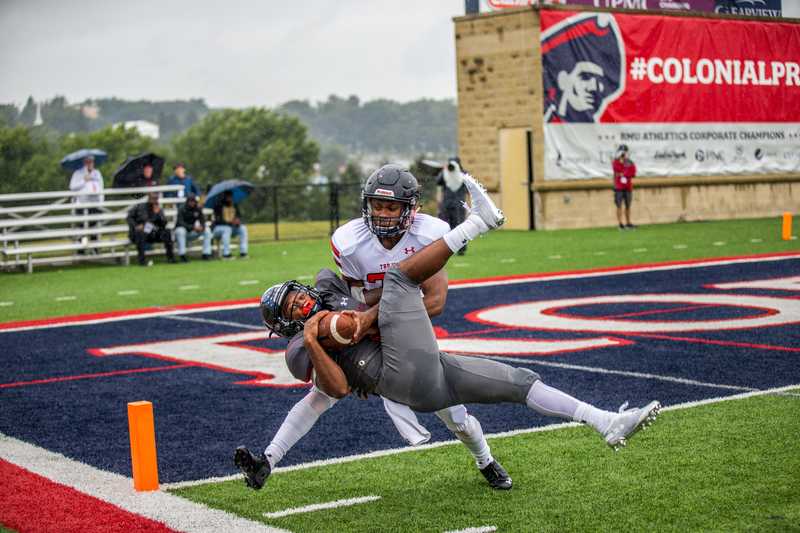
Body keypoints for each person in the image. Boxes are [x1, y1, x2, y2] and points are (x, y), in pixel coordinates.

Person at [236, 173, 660, 490]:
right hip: (399, 376)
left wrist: (368, 319)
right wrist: (315, 338)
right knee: (400, 281)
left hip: (420, 356)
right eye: (291, 309)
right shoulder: (302, 343)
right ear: (286, 326)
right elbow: (319, 400)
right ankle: (479, 223)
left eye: (296, 295)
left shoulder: (331, 287)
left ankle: (603, 422)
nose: (300, 304)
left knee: (513, 385)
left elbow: (429, 301)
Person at [255, 164, 512, 491]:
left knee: (454, 414)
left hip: (408, 333)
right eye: (377, 205)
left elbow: (435, 302)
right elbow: (356, 295)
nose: (383, 214)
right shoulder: (349, 242)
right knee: (320, 395)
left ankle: (485, 459)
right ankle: (269, 458)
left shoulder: (428, 234)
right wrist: (343, 328)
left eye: (392, 207)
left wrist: (372, 317)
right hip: (367, 331)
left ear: (411, 209)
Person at [127, 192, 175, 266]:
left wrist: (158, 214)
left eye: (156, 199)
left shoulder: (158, 209)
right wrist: (136, 226)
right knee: (141, 233)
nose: (155, 200)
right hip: (140, 233)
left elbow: (164, 224)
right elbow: (129, 218)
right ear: (149, 199)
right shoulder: (140, 207)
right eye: (153, 198)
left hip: (153, 233)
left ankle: (170, 258)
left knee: (167, 232)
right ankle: (142, 261)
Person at [69, 155, 104, 253]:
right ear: (84, 163)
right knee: (81, 229)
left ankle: (95, 250)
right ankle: (81, 251)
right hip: (81, 205)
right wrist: (84, 180)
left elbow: (101, 187)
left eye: (92, 162)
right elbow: (72, 187)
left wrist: (101, 203)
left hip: (95, 205)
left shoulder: (97, 173)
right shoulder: (78, 173)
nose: (90, 164)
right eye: (88, 162)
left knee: (94, 228)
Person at [436, 157, 469, 255]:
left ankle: (462, 249)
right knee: (444, 226)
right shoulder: (446, 174)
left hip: (459, 204)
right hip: (447, 203)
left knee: (460, 227)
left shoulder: (463, 174)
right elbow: (438, 181)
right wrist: (444, 171)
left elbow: (469, 188)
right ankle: (446, 248)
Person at [174, 194, 212, 262]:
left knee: (207, 230)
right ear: (187, 201)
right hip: (182, 232)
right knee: (180, 230)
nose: (192, 203)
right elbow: (180, 223)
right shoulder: (182, 209)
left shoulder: (197, 209)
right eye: (191, 201)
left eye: (193, 201)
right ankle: (182, 255)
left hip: (193, 232)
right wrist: (193, 227)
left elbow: (202, 220)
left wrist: (202, 227)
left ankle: (206, 254)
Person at [212, 191, 248, 259]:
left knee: (243, 228)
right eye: (228, 196)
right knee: (227, 229)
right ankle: (226, 254)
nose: (230, 198)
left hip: (232, 228)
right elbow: (218, 221)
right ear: (224, 197)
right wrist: (230, 222)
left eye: (230, 196)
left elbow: (239, 216)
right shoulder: (218, 205)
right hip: (218, 228)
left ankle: (243, 253)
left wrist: (238, 221)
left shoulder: (234, 205)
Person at [612, 144, 636, 230]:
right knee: (619, 205)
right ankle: (620, 223)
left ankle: (628, 223)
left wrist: (624, 174)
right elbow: (617, 170)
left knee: (628, 205)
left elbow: (633, 173)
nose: (624, 154)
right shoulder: (615, 161)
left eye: (625, 152)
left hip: (628, 187)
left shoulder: (630, 162)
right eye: (622, 152)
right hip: (618, 187)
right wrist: (625, 171)